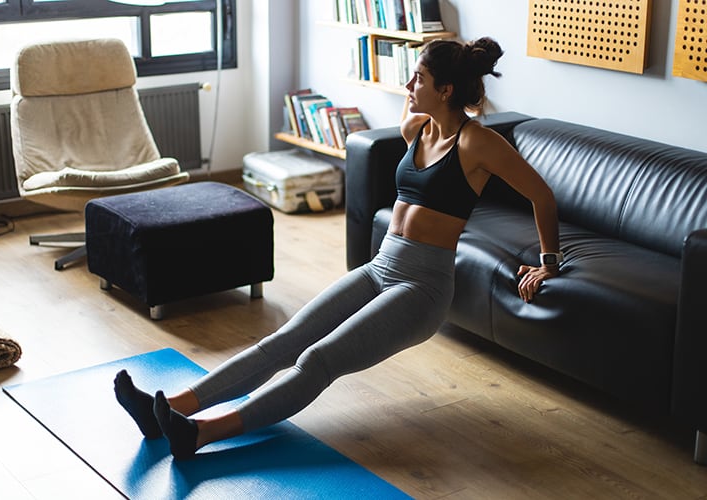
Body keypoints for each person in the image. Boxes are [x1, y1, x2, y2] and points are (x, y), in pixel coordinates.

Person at [114, 36, 561, 460]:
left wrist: (548, 262)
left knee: (318, 359)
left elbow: (541, 194)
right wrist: (415, 104)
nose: (409, 86)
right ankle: (173, 408)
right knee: (286, 340)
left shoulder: (476, 142)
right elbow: (415, 137)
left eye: (419, 79)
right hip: (381, 266)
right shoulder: (417, 129)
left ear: (445, 90)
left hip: (422, 288)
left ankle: (201, 433)